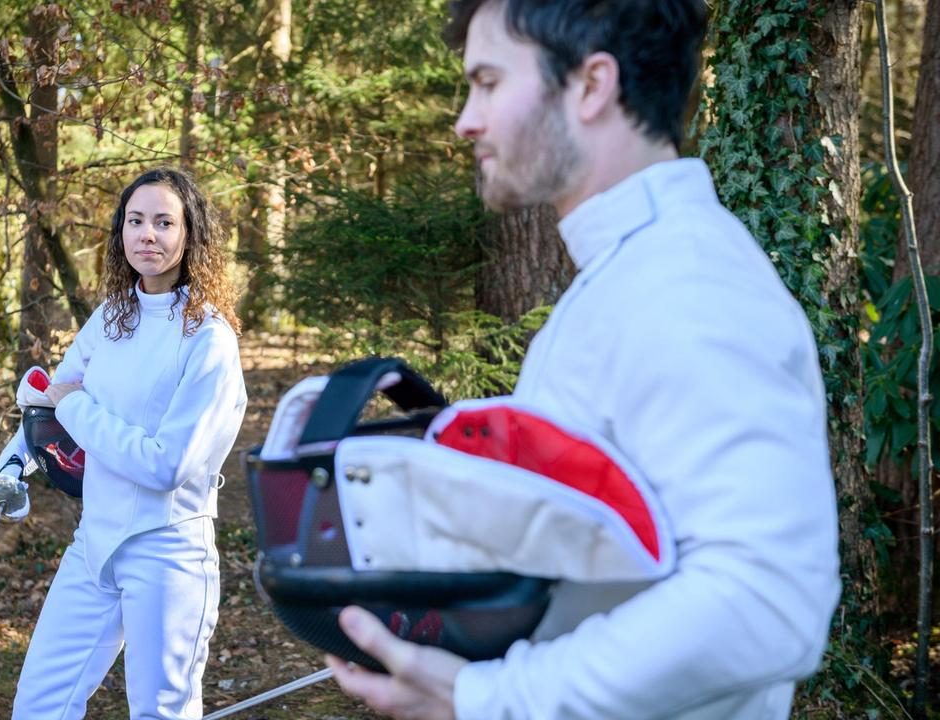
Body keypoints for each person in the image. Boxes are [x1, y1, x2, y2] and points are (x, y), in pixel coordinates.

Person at [324, 1, 841, 718]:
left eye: (488, 82)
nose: (465, 120)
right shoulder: (629, 276)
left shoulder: (687, 284)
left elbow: (768, 597)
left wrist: (490, 699)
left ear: (592, 85)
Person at [0, 167, 248, 719]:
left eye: (163, 222)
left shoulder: (209, 339)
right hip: (93, 544)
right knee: (39, 705)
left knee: (159, 713)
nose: (147, 234)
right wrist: (9, 470)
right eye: (135, 220)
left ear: (190, 235)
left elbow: (165, 466)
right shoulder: (110, 318)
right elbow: (44, 404)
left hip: (167, 551)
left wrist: (74, 406)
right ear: (120, 231)